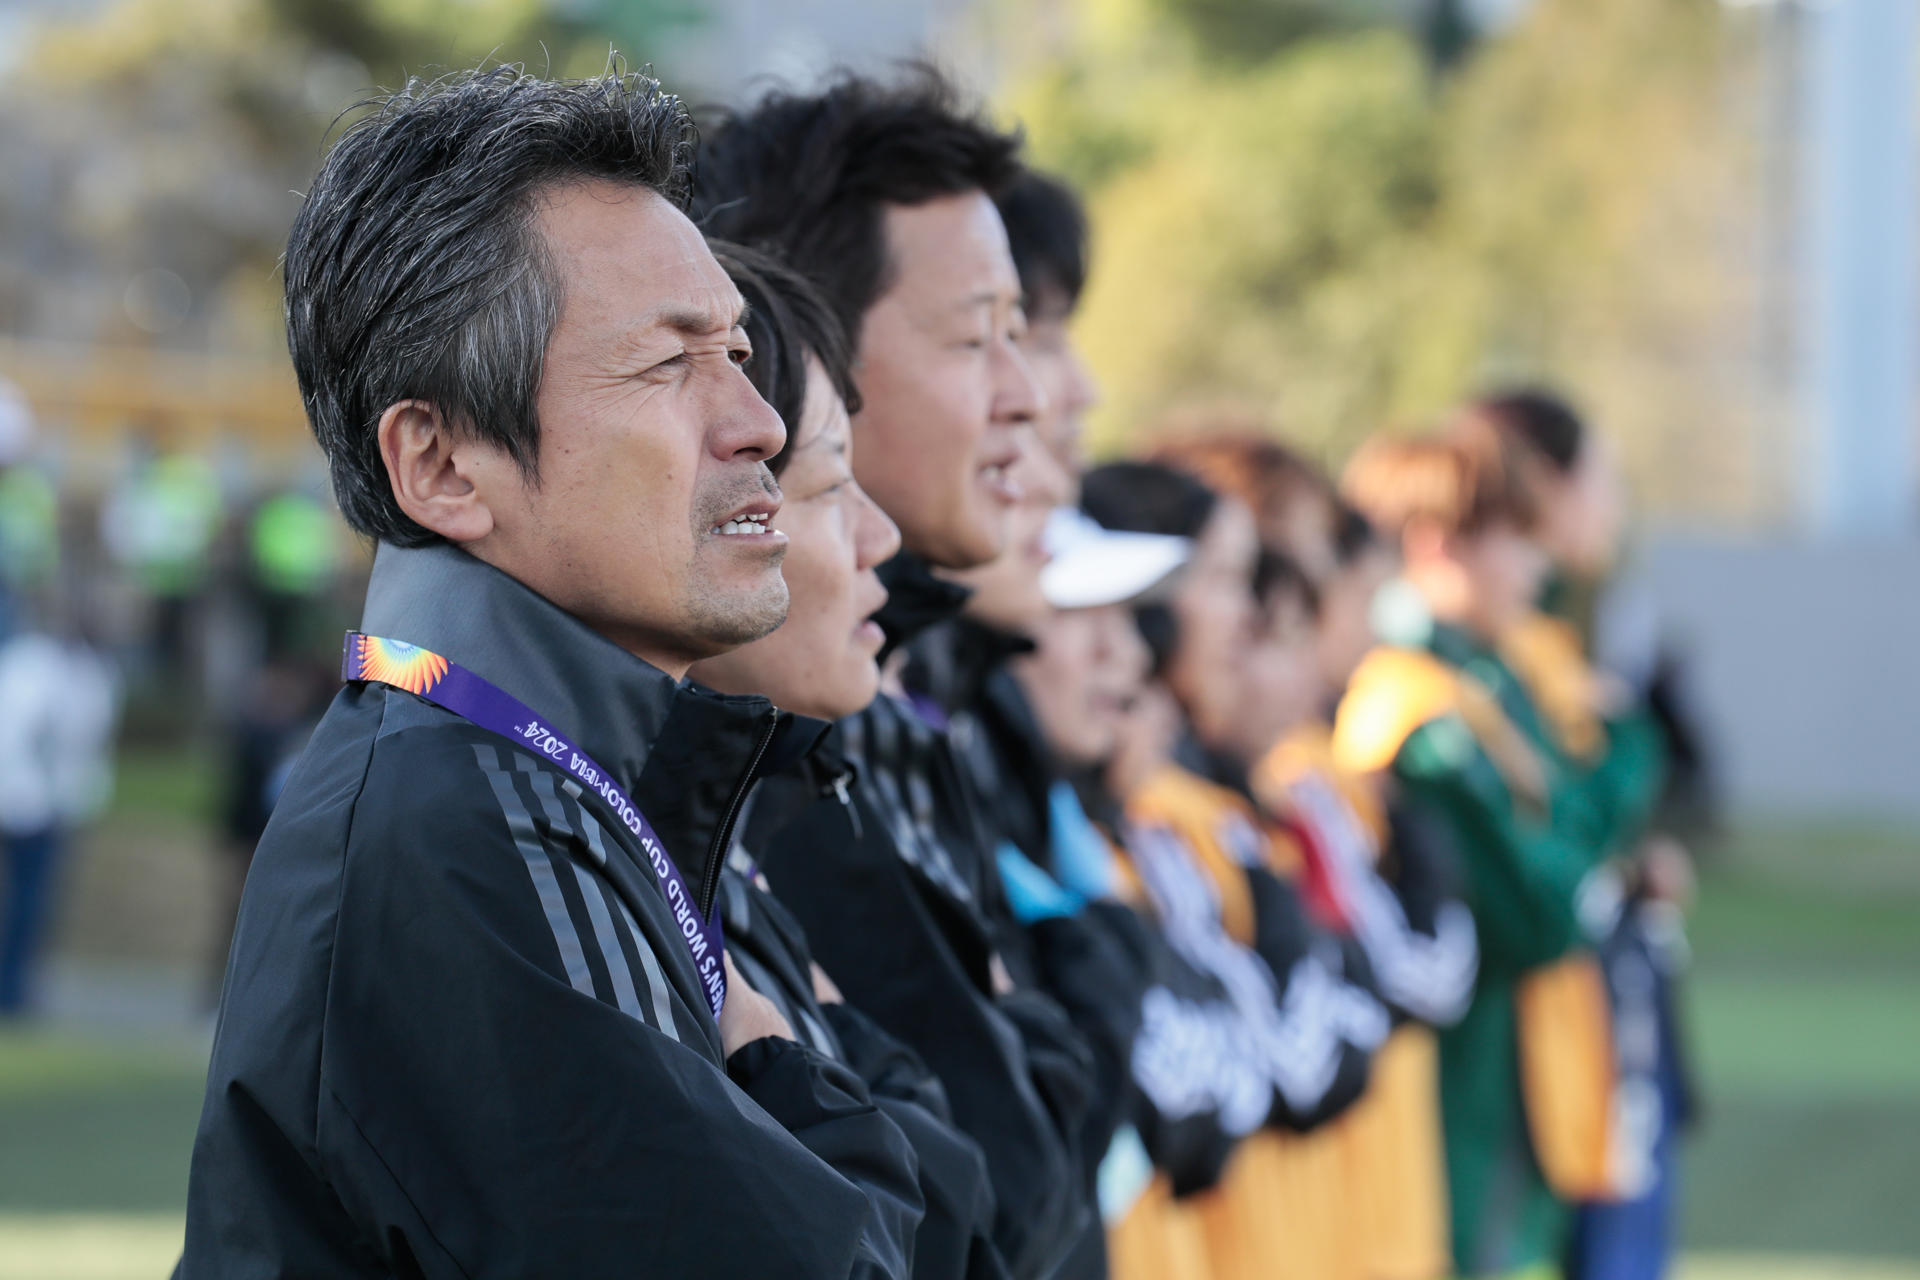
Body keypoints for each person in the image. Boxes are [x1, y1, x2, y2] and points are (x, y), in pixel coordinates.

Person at [177, 66, 925, 1278]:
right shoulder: (463, 826)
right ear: (442, 465)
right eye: (667, 364)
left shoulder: (542, 783)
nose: (758, 421)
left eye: (734, 349)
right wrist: (797, 1077)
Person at [697, 71, 1096, 1280]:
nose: (1028, 398)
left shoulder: (898, 701)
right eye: (982, 338)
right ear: (803, 343)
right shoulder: (759, 735)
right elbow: (1002, 1186)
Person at [689, 242, 1008, 1280]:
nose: (879, 536)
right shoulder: (548, 842)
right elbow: (996, 1186)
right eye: (831, 482)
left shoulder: (742, 832)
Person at [1335, 428, 1663, 1278]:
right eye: (1514, 539)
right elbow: (1542, 901)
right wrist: (1622, 752)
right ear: (1436, 543)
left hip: (1511, 1071)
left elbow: (1564, 832)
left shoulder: (1490, 678)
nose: (1536, 567)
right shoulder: (1410, 706)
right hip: (1453, 1083)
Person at [1081, 461, 1388, 1280]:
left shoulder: (1214, 817)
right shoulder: (1141, 827)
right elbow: (1277, 1068)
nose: (1243, 618)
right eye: (1222, 580)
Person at [1459, 391, 1697, 1280]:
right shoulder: (1495, 662)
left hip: (1579, 1017)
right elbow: (1566, 841)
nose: (1614, 508)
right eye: (1602, 480)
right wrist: (1623, 749)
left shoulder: (1557, 635)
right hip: (1527, 1042)